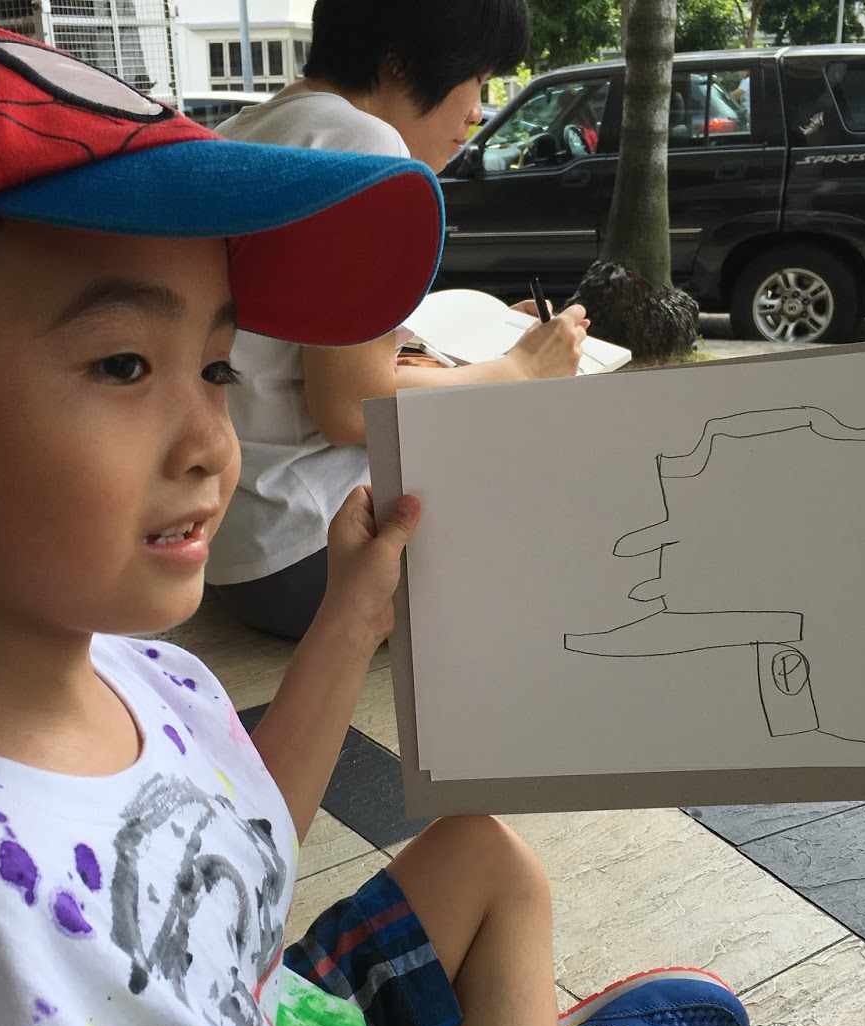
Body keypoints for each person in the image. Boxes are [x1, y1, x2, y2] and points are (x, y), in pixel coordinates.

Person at [0, 12, 747, 1026]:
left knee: (486, 857)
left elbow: (232, 839)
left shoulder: (125, 665)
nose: (212, 439)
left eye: (213, 365)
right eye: (122, 365)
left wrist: (351, 613)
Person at [206, 0, 593, 640]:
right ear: (403, 63)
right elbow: (353, 408)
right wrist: (522, 368)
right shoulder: (366, 147)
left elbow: (289, 357)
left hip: (236, 540)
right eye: (475, 77)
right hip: (314, 548)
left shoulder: (247, 131)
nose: (478, 110)